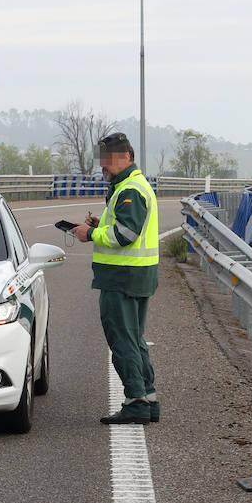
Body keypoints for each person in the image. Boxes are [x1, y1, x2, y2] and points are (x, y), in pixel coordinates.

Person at [72, 132, 160, 426]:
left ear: (127, 157)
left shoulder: (129, 190)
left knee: (122, 341)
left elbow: (125, 235)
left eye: (109, 161)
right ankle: (148, 400)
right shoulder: (129, 186)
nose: (104, 167)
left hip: (122, 277)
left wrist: (91, 233)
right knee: (135, 339)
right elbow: (125, 227)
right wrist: (101, 224)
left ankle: (135, 403)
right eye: (102, 162)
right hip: (136, 275)